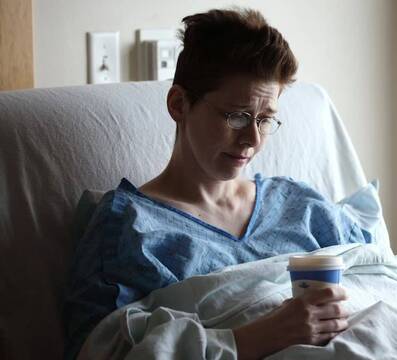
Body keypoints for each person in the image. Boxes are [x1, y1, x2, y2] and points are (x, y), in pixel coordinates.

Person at [63, 8, 372, 360]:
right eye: (236, 116)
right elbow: (98, 351)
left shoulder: (302, 207)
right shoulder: (128, 231)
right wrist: (259, 336)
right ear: (179, 104)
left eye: (266, 119)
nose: (252, 139)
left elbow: (386, 288)